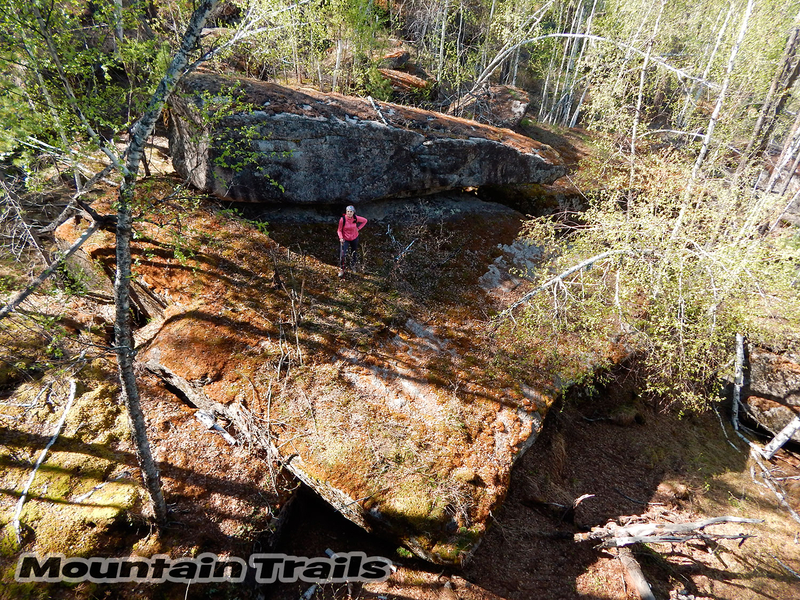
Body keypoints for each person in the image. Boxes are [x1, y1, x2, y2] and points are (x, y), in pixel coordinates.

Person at [337, 205, 367, 277]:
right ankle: (342, 269)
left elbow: (365, 220)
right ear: (346, 212)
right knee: (343, 254)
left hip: (354, 238)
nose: (349, 213)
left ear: (353, 212)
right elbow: (339, 230)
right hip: (345, 239)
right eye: (348, 211)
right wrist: (341, 237)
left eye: (351, 212)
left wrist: (358, 228)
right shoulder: (342, 219)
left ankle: (353, 266)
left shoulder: (355, 218)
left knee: (354, 252)